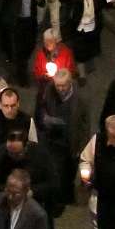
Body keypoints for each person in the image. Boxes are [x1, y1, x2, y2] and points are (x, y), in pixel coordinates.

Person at [36, 68, 91, 211]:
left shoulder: (80, 99)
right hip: (53, 141)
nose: (60, 89)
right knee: (56, 172)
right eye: (57, 85)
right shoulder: (48, 92)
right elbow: (40, 110)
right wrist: (45, 119)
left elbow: (85, 124)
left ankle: (68, 194)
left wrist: (83, 145)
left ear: (70, 83)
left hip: (71, 141)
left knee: (70, 172)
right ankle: (58, 201)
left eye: (63, 86)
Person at [0, 87, 38, 173]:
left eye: (13, 105)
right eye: (6, 106)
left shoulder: (27, 120)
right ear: (0, 104)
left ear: (18, 103)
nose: (9, 110)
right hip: (0, 166)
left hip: (20, 167)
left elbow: (34, 147)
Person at [64, 0, 109, 80]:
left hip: (92, 27)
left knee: (89, 48)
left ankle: (87, 65)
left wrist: (112, 1)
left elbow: (106, 4)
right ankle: (82, 74)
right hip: (79, 26)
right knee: (78, 50)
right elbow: (66, 0)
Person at [32, 28, 77, 98]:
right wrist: (44, 76)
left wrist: (60, 76)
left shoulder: (66, 53)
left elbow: (71, 70)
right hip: (46, 86)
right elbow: (37, 70)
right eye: (45, 42)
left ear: (56, 41)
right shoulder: (41, 54)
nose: (46, 44)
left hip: (61, 87)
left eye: (50, 42)